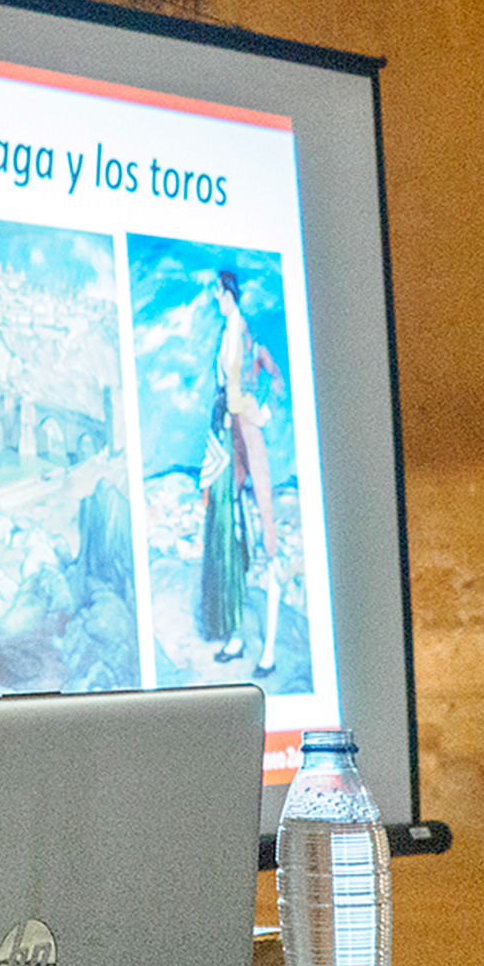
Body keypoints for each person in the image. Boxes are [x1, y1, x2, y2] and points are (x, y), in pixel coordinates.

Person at [198, 269, 284, 677]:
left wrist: (260, 410)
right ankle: (235, 632)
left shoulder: (245, 333)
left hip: (247, 431)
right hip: (228, 435)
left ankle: (268, 649)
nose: (215, 297)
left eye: (218, 291)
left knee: (265, 528)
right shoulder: (225, 333)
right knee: (230, 529)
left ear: (227, 292)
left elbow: (273, 376)